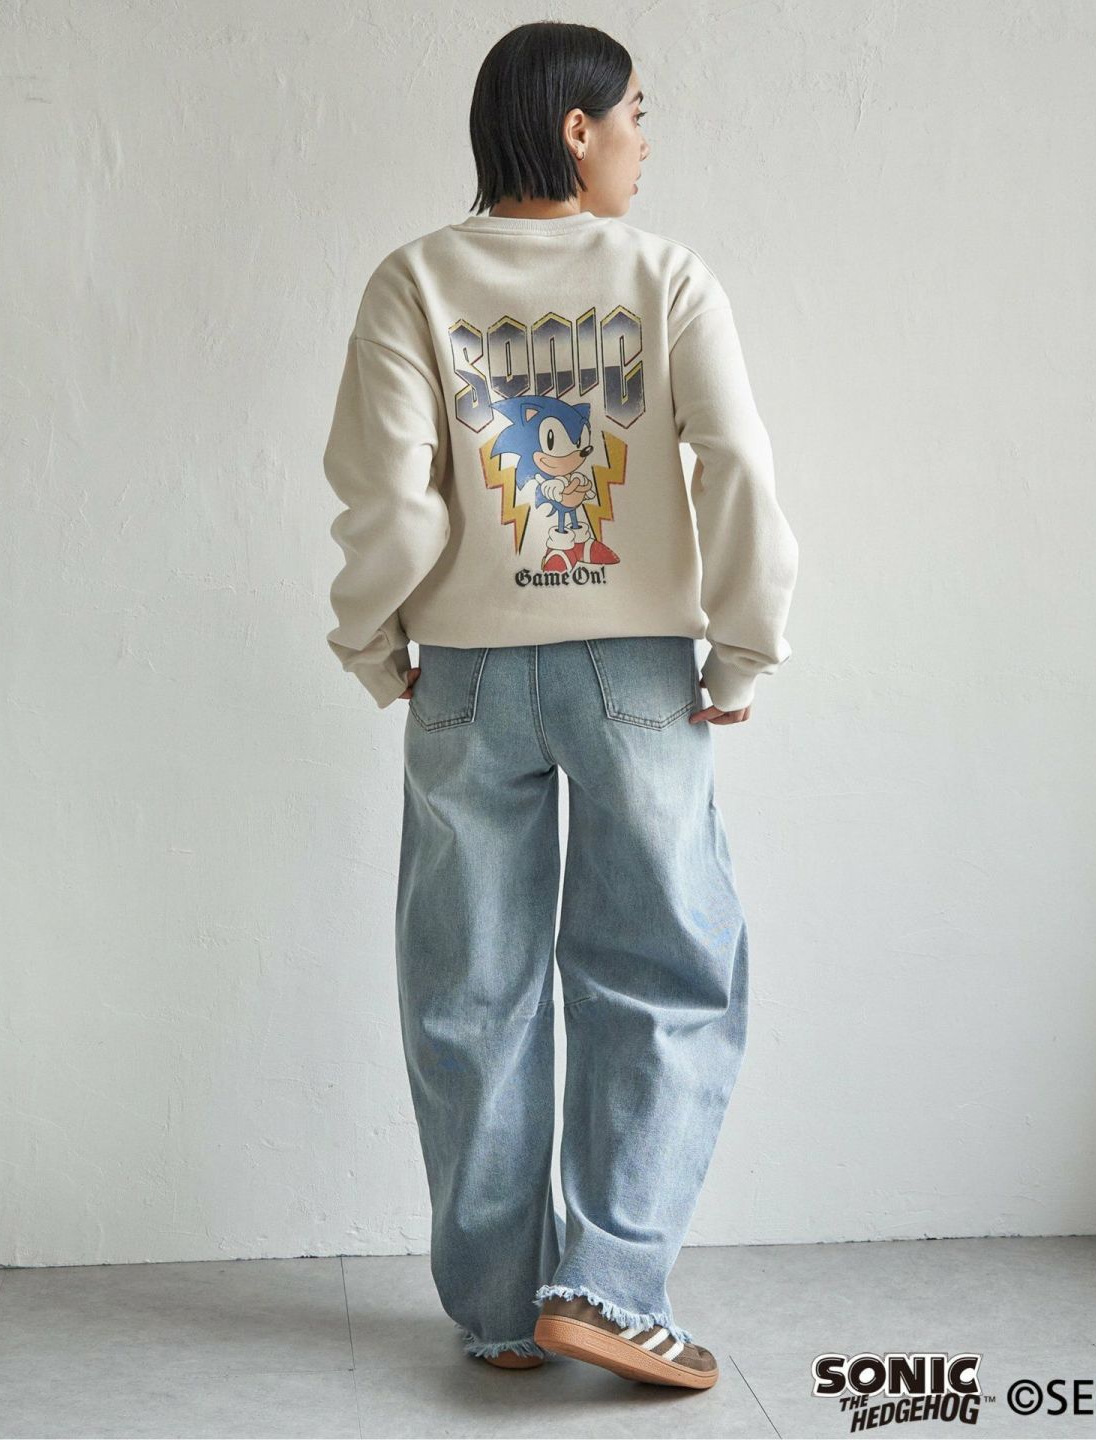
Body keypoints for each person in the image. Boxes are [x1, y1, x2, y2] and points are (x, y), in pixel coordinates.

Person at [322, 21, 799, 1394]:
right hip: (636, 670)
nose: (648, 144)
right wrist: (743, 650)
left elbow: (390, 495)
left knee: (469, 988)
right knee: (662, 971)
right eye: (638, 115)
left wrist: (375, 645)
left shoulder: (416, 278)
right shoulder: (665, 277)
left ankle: (498, 1307)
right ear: (578, 129)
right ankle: (607, 1286)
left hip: (467, 671)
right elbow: (735, 464)